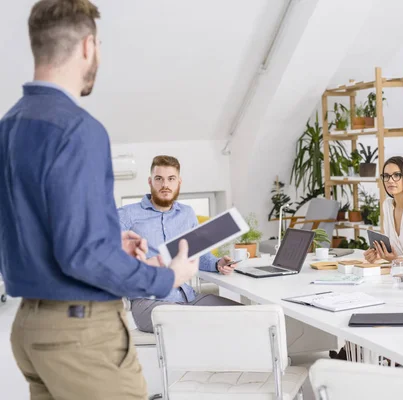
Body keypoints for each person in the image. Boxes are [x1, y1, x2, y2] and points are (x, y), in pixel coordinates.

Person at [0, 1, 198, 399]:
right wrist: (166, 278)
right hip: (80, 333)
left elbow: (40, 231)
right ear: (89, 46)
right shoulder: (78, 130)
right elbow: (83, 256)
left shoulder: (9, 127)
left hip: (30, 329)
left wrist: (111, 242)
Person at [119, 155, 240, 333]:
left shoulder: (187, 214)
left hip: (187, 296)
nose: (165, 185)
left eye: (171, 179)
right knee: (200, 322)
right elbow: (106, 254)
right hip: (149, 302)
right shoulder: (128, 214)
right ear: (150, 181)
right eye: (159, 179)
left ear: (179, 182)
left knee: (246, 314)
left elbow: (198, 254)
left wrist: (217, 263)